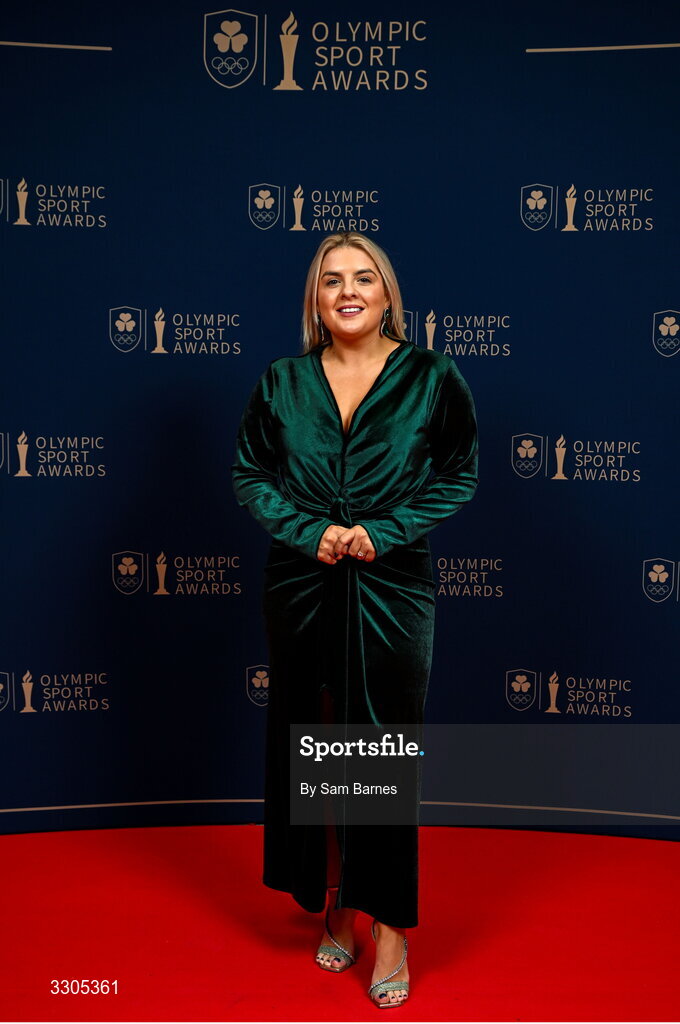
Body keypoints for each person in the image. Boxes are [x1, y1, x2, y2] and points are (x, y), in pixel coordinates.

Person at [232, 232, 478, 1007]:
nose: (347, 290)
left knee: (378, 749)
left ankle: (391, 925)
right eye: (331, 279)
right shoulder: (281, 381)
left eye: (362, 278)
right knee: (318, 742)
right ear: (315, 299)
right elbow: (250, 473)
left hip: (392, 586)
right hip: (301, 586)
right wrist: (311, 532)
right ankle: (337, 898)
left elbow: (458, 475)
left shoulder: (433, 377)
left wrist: (384, 530)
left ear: (386, 293)